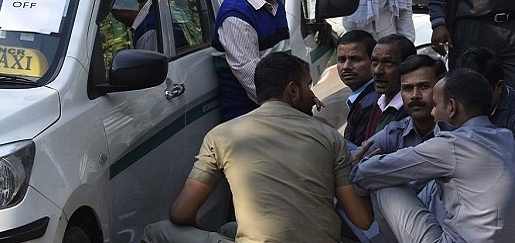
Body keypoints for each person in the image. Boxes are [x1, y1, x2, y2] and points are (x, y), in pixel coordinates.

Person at [142, 52, 373, 243]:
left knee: (155, 231)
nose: (313, 95)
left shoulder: (222, 135)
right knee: (229, 229)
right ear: (292, 90)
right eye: (308, 86)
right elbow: (362, 219)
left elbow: (181, 214)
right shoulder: (329, 136)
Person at [351, 68, 515, 242]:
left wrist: (361, 166)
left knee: (382, 183)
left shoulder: (452, 145)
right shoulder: (507, 139)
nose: (432, 112)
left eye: (435, 104)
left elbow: (370, 173)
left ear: (451, 107)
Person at [346, 54, 445, 243]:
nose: (415, 95)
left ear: (441, 89)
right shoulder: (397, 130)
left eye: (424, 86)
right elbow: (356, 157)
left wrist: (369, 168)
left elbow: (363, 170)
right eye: (407, 89)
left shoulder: (454, 131)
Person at [212, 0, 296, 121]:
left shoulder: (274, 3)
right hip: (251, 122)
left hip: (280, 113)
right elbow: (260, 87)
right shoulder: (236, 17)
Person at [455, 46, 515, 183]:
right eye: (464, 92)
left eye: (478, 92)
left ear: (499, 86)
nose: (470, 99)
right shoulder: (454, 105)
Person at [364, 33, 416, 139]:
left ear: (407, 66)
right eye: (374, 62)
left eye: (388, 63)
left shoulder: (412, 111)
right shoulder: (379, 102)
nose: (378, 71)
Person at [336, 30, 378, 147]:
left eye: (355, 59)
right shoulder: (364, 98)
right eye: (341, 60)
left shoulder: (371, 104)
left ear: (373, 62)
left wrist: (328, 133)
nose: (346, 67)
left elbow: (361, 155)